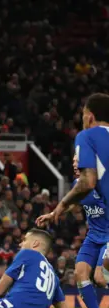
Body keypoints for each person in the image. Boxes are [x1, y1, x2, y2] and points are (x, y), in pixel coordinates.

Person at [36, 155, 107, 308]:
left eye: (78, 161)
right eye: (74, 161)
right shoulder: (78, 185)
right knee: (79, 273)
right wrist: (53, 214)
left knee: (100, 278)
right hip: (93, 236)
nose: (74, 164)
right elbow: (71, 205)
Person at [52, 93, 109, 279]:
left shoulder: (87, 136)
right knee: (101, 277)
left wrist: (60, 206)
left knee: (102, 277)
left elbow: (87, 181)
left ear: (89, 116)